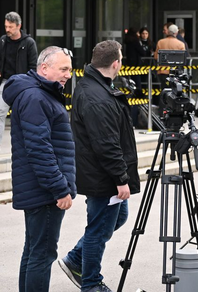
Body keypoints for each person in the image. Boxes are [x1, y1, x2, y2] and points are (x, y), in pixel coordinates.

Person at [59, 40, 140, 292]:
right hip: (102, 176)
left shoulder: (94, 85)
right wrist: (120, 179)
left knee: (118, 217)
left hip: (100, 172)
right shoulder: (97, 97)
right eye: (122, 58)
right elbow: (106, 144)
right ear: (115, 63)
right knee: (98, 228)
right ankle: (91, 282)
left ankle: (75, 258)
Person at [3, 46, 76, 292]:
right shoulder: (35, 97)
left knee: (34, 251)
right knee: (42, 254)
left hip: (38, 187)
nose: (68, 75)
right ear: (44, 68)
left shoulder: (39, 94)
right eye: (63, 69)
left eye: (70, 69)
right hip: (44, 191)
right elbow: (39, 149)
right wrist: (59, 188)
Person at [0, 12, 38, 156]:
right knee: (0, 113)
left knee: (23, 116)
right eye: (6, 26)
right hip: (6, 82)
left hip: (23, 84)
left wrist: (29, 85)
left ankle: (27, 146)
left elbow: (33, 67)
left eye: (10, 27)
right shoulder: (3, 41)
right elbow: (0, 60)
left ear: (18, 26)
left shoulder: (29, 43)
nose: (7, 29)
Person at [154, 23, 188, 87]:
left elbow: (156, 57)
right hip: (176, 71)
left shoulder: (160, 42)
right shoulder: (181, 44)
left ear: (168, 32)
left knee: (164, 89)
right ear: (176, 33)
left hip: (163, 71)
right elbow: (183, 59)